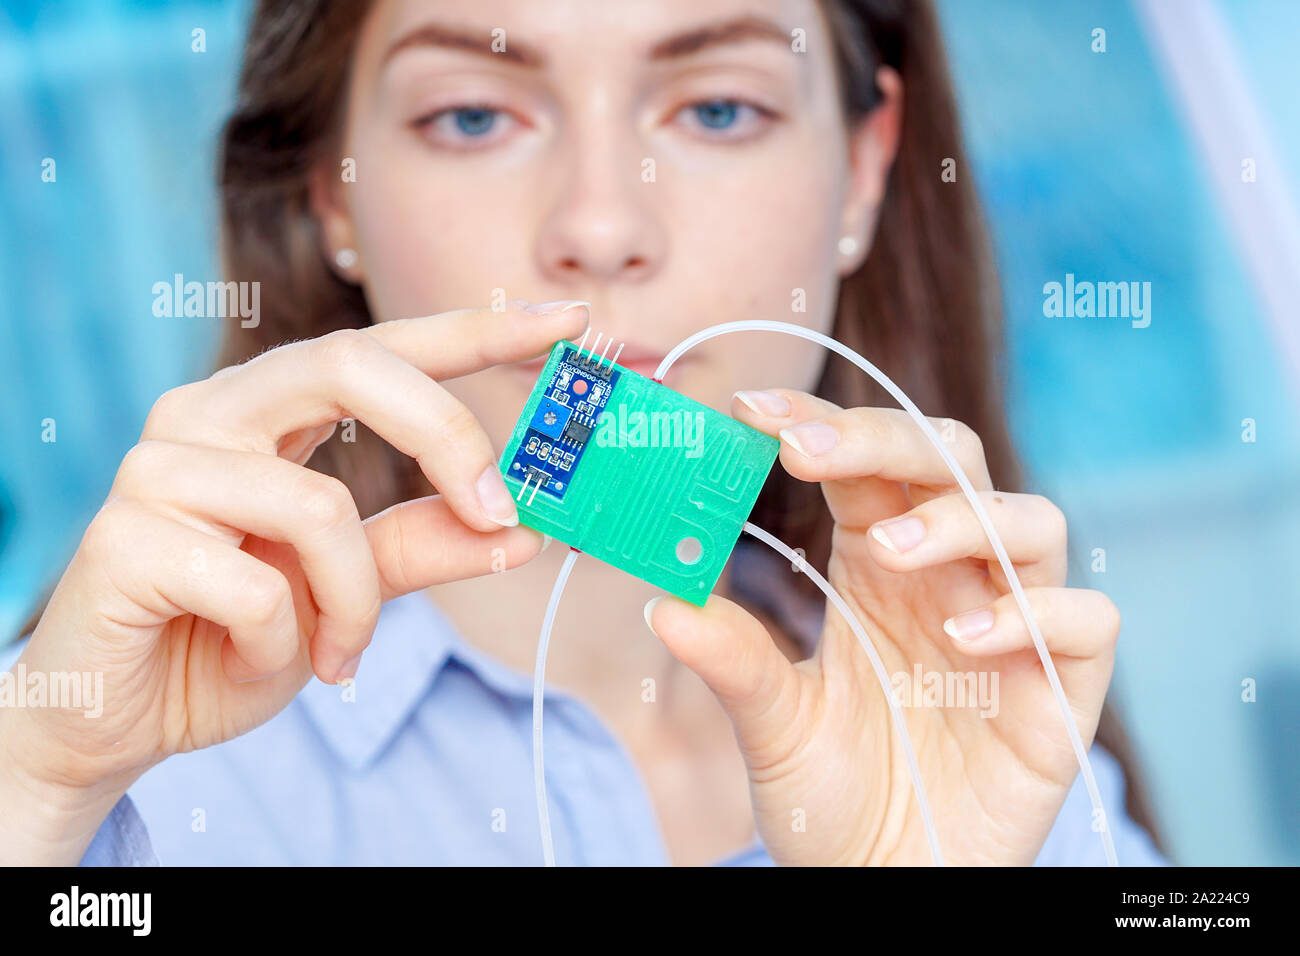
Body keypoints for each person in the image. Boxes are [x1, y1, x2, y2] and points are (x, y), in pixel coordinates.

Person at [0, 0, 1165, 866]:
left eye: (717, 108)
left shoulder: (993, 732)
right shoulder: (98, 770)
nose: (601, 226)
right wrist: (33, 788)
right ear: (332, 193)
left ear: (862, 171)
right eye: (473, 114)